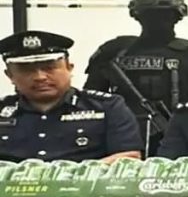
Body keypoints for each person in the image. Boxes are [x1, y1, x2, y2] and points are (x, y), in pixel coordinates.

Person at [84, 0, 188, 150]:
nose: (160, 20)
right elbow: (92, 99)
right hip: (121, 132)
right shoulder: (113, 51)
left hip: (179, 131)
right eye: (152, 15)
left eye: (167, 15)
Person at [0, 30, 142, 163]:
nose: (40, 77)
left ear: (70, 68)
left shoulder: (107, 107)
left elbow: (128, 157)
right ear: (10, 75)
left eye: (49, 68)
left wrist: (77, 174)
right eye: (27, 70)